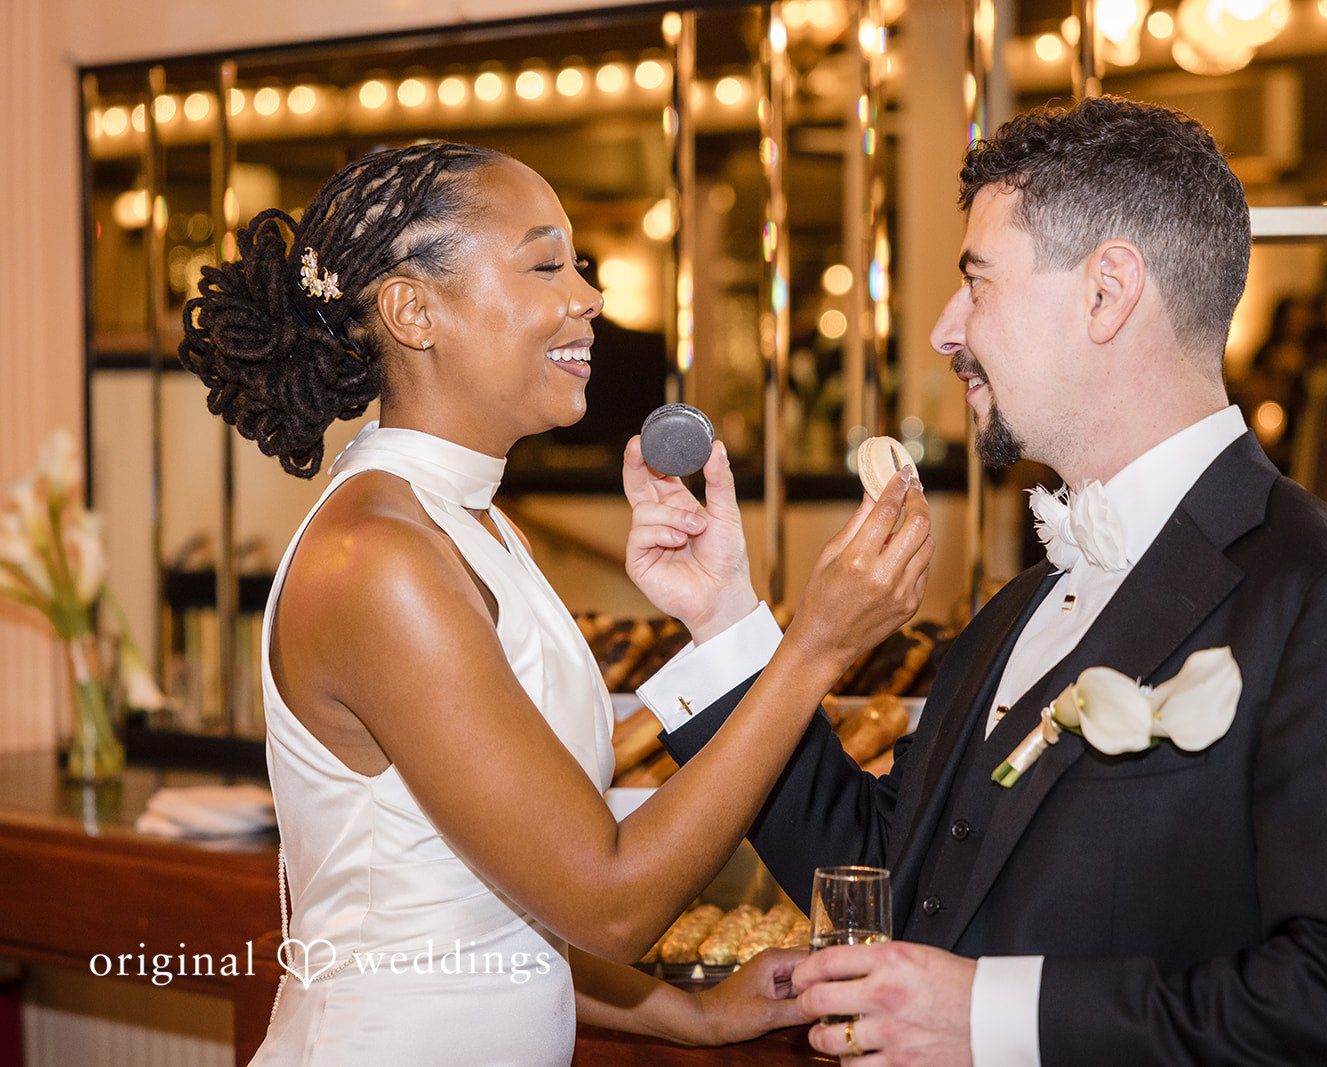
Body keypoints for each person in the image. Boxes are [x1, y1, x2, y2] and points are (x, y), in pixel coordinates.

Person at [636, 99, 1327, 1064]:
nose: (947, 332)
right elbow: (886, 865)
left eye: (977, 284)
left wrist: (995, 1017)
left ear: (1107, 292)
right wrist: (724, 618)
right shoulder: (1011, 611)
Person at [176, 140, 933, 1063]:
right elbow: (606, 899)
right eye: (545, 264)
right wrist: (815, 646)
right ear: (414, 310)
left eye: (578, 263)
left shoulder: (475, 526)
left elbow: (498, 910)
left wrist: (686, 1013)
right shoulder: (377, 556)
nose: (589, 296)